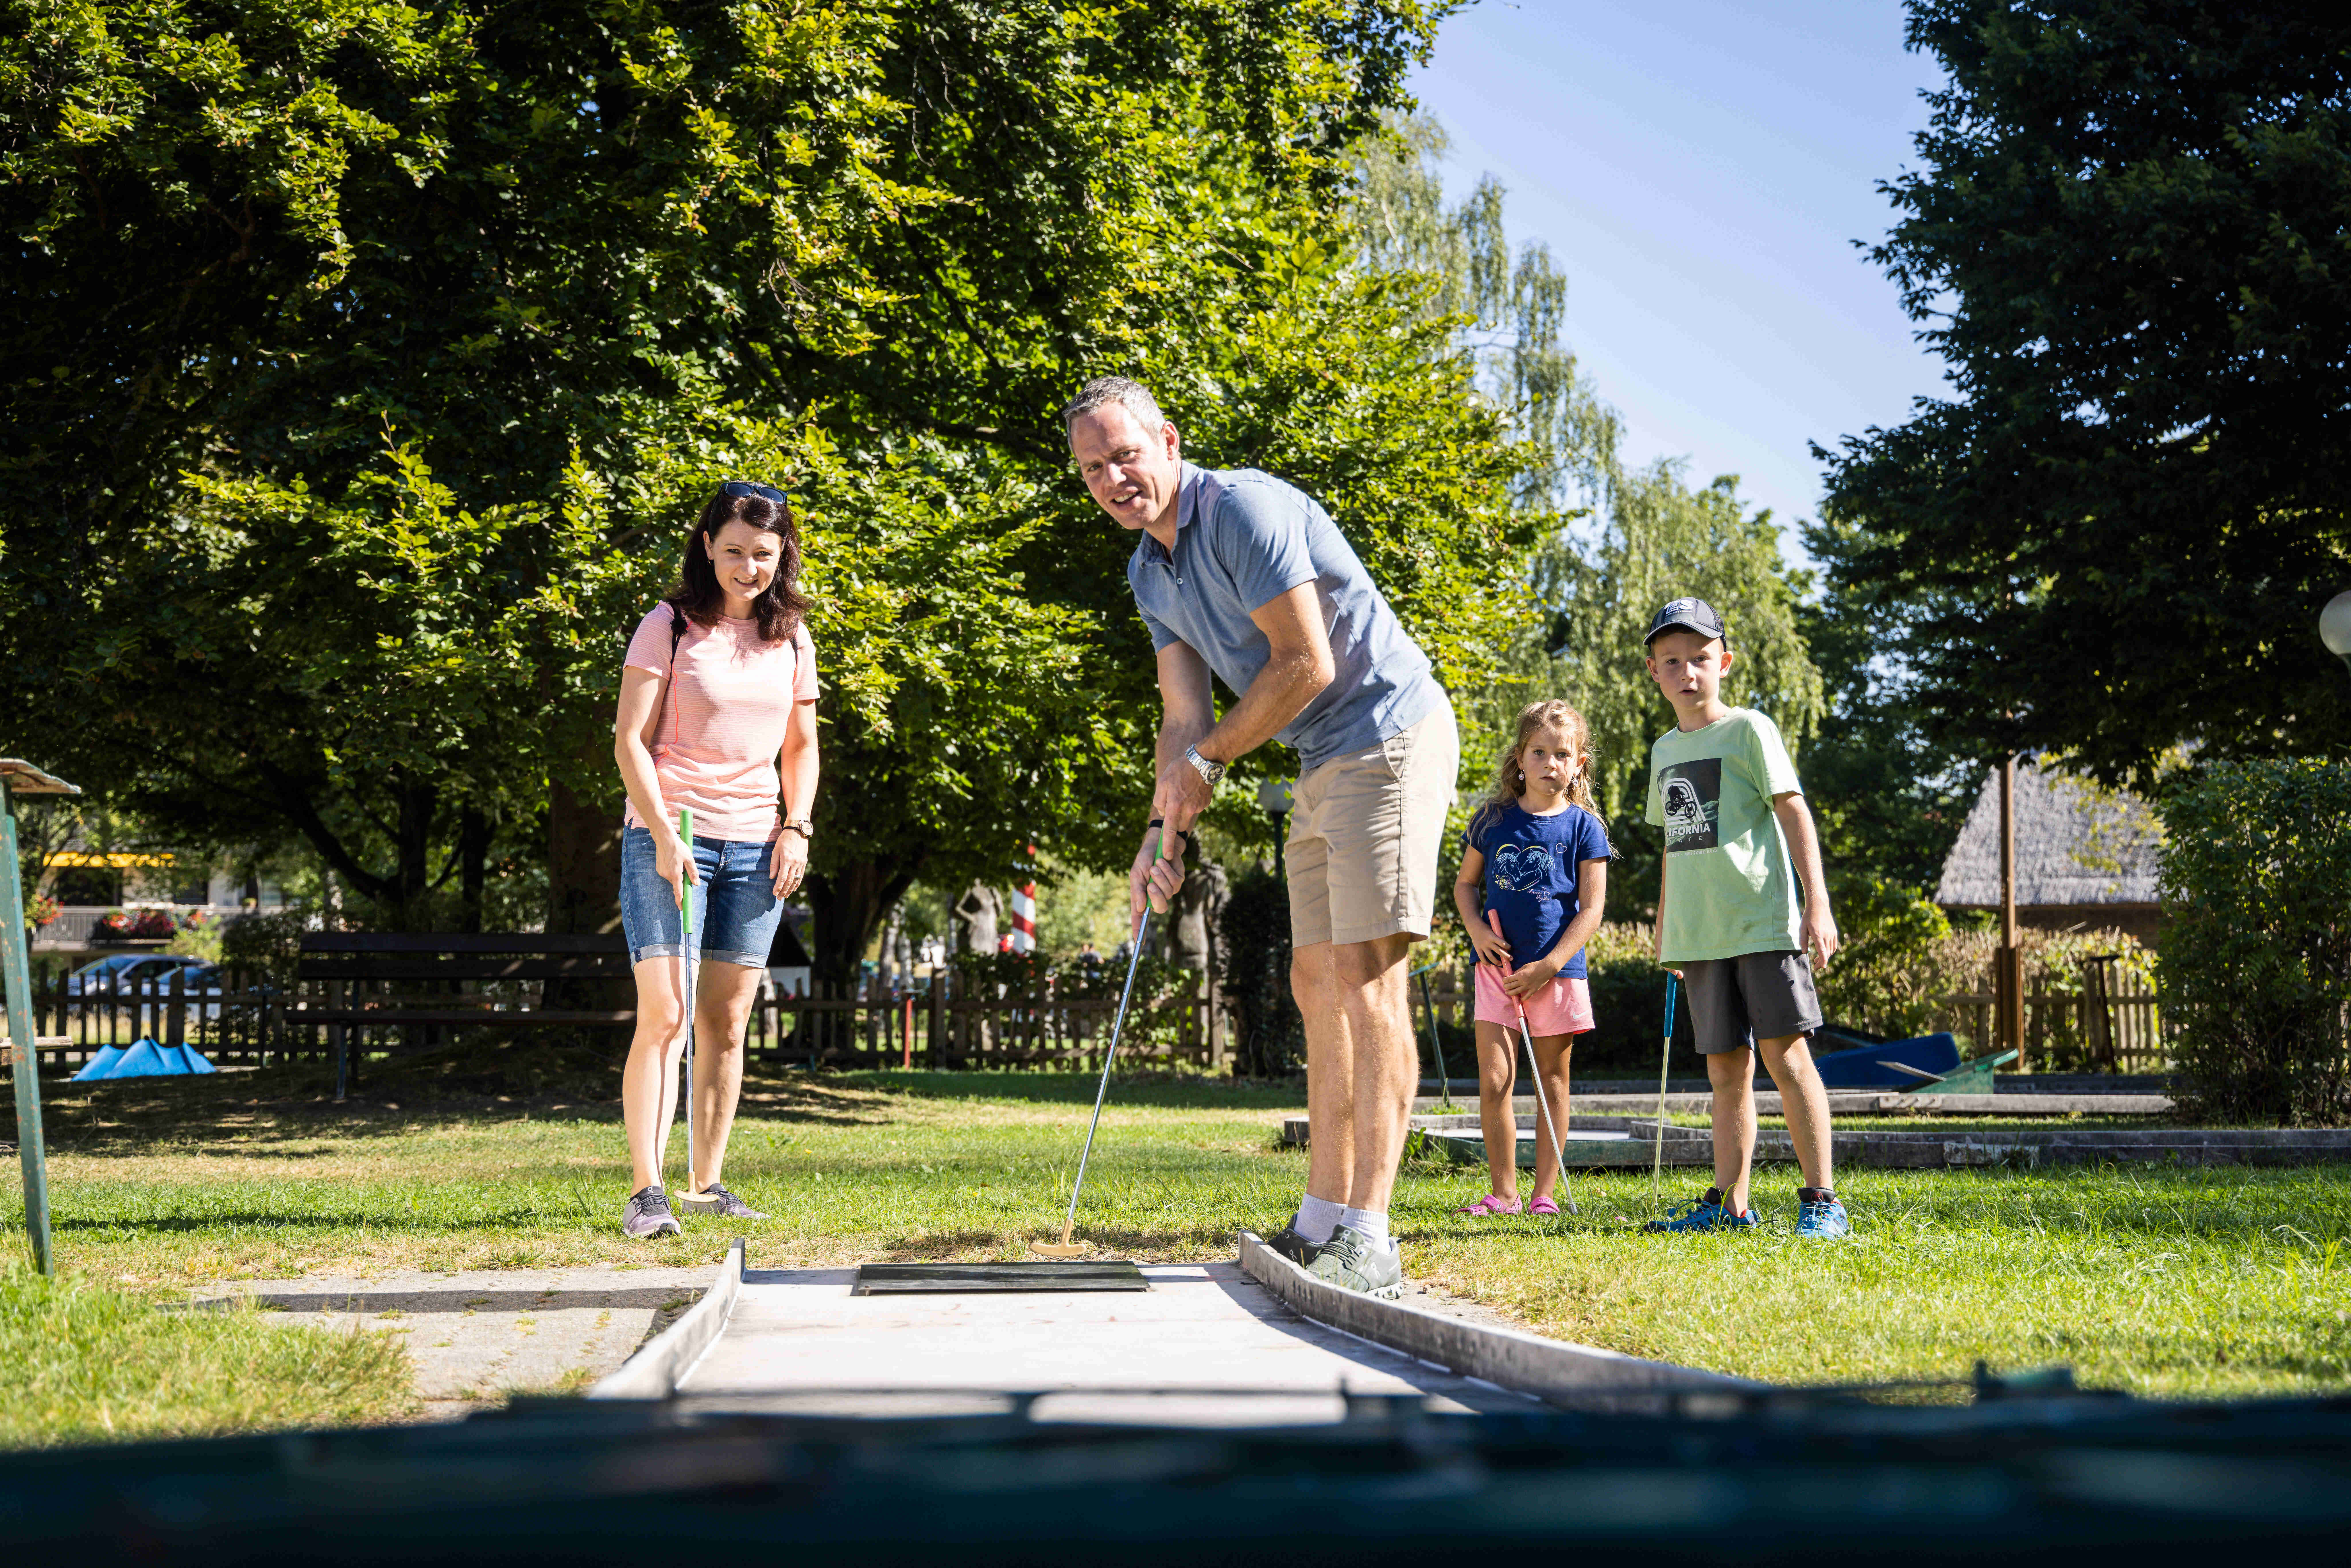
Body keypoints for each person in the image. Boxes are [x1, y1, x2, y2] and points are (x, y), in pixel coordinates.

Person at [1062, 375, 1459, 1299]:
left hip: (1388, 733)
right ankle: (1321, 1218)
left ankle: (1372, 1232)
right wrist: (1160, 831)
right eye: (1094, 468)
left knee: (1367, 974)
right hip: (1322, 755)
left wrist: (1208, 764)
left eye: (1125, 454)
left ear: (1166, 440)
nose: (1115, 477)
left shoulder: (1242, 510)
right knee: (1315, 977)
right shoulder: (1146, 571)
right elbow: (1182, 717)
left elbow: (1304, 661)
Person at [611, 480, 821, 1239]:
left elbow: (802, 747)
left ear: (781, 555)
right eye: (733, 551)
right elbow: (628, 739)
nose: (747, 567)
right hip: (672, 838)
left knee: (727, 1020)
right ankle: (647, 1193)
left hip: (757, 845)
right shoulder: (667, 627)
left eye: (762, 554)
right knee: (666, 1014)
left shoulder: (792, 637)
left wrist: (796, 826)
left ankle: (707, 1183)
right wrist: (665, 833)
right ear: (708, 547)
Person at [1639, 597, 1848, 1239]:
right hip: (1701, 935)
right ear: (1654, 671)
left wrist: (1818, 899)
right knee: (1725, 1071)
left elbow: (1793, 812)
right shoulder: (1663, 750)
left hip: (1760, 923)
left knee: (1788, 1060)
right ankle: (1729, 1205)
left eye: (1700, 658)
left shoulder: (1750, 728)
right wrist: (1667, 925)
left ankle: (1822, 1201)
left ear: (1723, 662)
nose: (1687, 672)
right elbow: (1677, 841)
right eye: (1672, 661)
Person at [1450, 700, 1611, 1218]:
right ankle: (1504, 1193)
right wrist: (1476, 929)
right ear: (1520, 758)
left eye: (1562, 754)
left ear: (1579, 763)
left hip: (1556, 973)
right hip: (1497, 972)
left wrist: (1549, 964)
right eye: (1539, 753)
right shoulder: (1493, 820)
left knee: (1553, 1082)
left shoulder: (1585, 828)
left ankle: (1543, 1193)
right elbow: (1465, 885)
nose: (1550, 764)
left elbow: (1593, 908)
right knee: (1496, 1079)